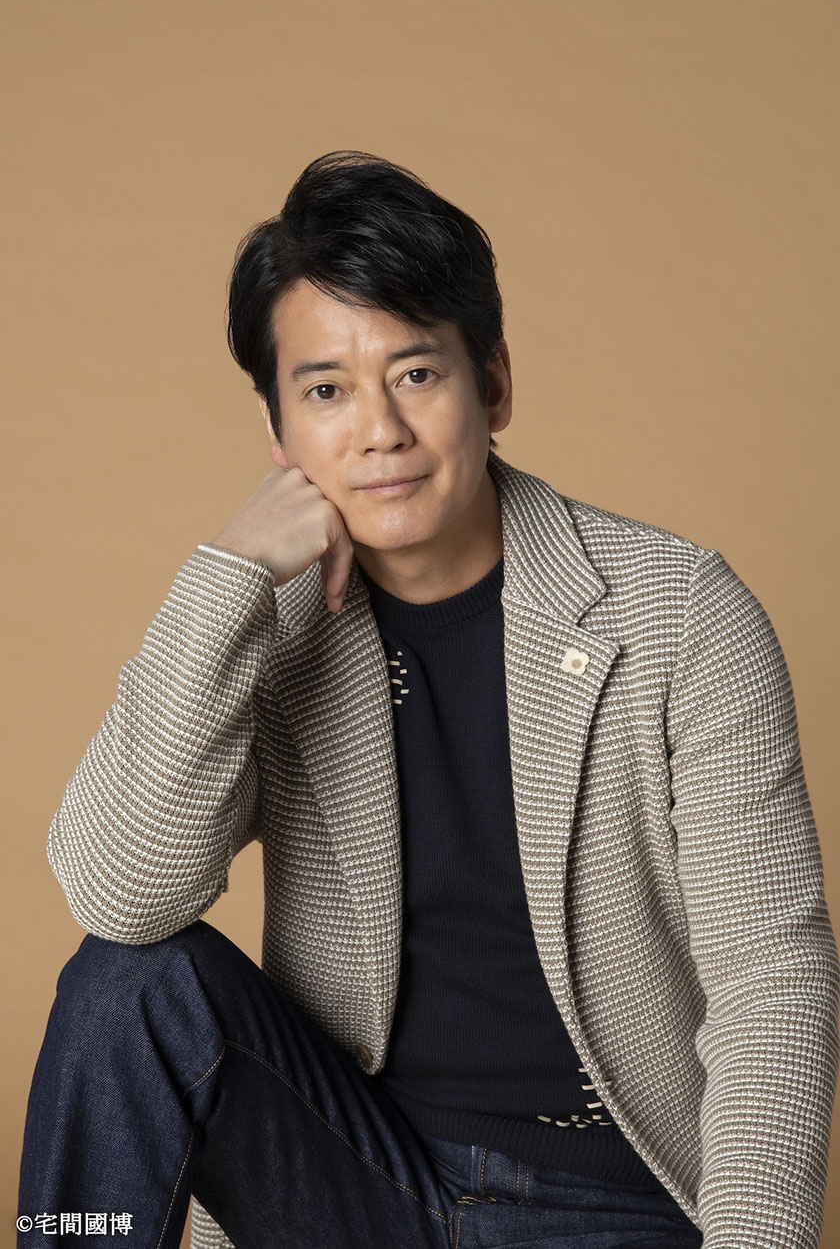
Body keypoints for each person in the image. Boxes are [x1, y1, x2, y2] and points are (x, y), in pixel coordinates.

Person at [18, 150, 838, 1249]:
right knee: (128, 984)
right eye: (325, 391)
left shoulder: (678, 614)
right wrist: (226, 579)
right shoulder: (268, 628)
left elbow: (771, 984)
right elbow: (121, 898)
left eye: (414, 373)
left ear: (492, 385)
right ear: (277, 431)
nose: (379, 432)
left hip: (609, 1205)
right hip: (358, 1182)